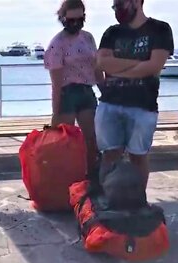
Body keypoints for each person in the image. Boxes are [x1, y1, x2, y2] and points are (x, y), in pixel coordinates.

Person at [95, 0, 174, 188]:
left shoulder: (160, 29)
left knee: (139, 156)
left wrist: (118, 68)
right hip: (110, 104)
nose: (118, 9)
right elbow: (101, 63)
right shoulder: (111, 32)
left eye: (121, 4)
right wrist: (139, 64)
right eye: (115, 6)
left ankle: (138, 201)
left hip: (143, 106)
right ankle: (107, 199)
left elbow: (154, 66)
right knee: (109, 155)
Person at [44, 0, 104, 175]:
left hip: (86, 91)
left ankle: (91, 177)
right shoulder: (57, 44)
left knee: (91, 139)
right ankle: (65, 179)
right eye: (71, 20)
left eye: (80, 19)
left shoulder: (88, 38)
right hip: (67, 93)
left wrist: (107, 92)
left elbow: (96, 68)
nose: (76, 24)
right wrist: (55, 113)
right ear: (63, 19)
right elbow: (56, 83)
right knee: (65, 141)